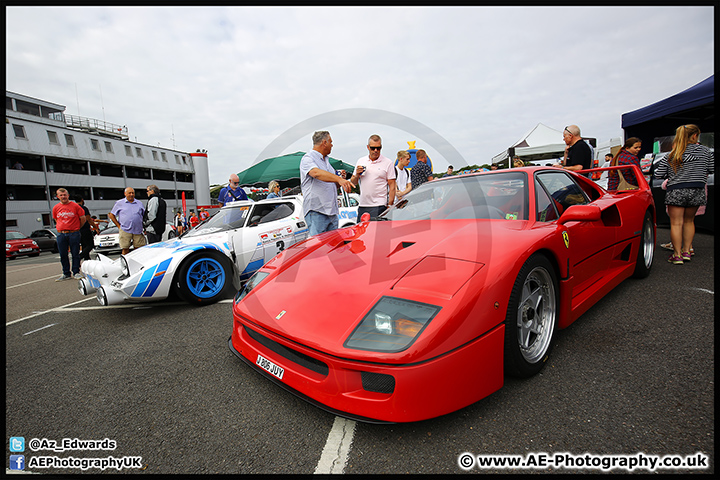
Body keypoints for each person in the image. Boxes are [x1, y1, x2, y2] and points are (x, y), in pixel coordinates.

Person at [653, 124, 714, 265]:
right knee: (689, 221)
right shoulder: (706, 151)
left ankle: (677, 255)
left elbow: (659, 174)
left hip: (676, 190)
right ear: (694, 136)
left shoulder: (671, 154)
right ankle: (687, 251)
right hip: (697, 190)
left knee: (676, 223)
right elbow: (710, 169)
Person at [299, 131, 354, 236]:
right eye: (330, 142)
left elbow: (334, 185)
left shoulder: (327, 162)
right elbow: (315, 173)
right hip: (317, 212)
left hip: (332, 213)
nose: (332, 145)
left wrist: (340, 180)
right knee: (319, 248)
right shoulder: (308, 158)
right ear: (324, 142)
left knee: (332, 248)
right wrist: (338, 179)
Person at [350, 135, 396, 219]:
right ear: (368, 147)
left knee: (378, 231)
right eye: (373, 148)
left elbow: (392, 186)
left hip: (380, 205)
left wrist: (390, 205)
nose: (376, 150)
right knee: (361, 231)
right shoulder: (361, 161)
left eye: (378, 148)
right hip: (363, 205)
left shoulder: (388, 163)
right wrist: (357, 174)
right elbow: (353, 182)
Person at [52, 188, 86, 281]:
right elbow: (56, 219)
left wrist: (77, 227)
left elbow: (83, 218)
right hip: (61, 234)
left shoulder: (75, 206)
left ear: (68, 195)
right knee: (63, 254)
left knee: (75, 253)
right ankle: (66, 273)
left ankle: (76, 272)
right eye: (61, 195)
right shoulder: (56, 208)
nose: (63, 197)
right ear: (58, 196)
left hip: (73, 233)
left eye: (65, 195)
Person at [108, 187, 146, 255]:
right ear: (125, 194)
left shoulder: (139, 203)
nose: (131, 194)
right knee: (125, 248)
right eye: (129, 193)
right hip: (125, 229)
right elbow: (111, 215)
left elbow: (144, 216)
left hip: (138, 230)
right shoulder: (119, 203)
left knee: (139, 249)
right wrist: (118, 226)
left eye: (133, 193)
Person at [74, 195, 96, 262]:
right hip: (85, 229)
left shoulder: (74, 208)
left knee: (84, 245)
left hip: (77, 229)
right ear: (82, 200)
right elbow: (88, 219)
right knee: (90, 245)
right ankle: (80, 257)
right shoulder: (83, 208)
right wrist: (95, 227)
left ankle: (87, 259)